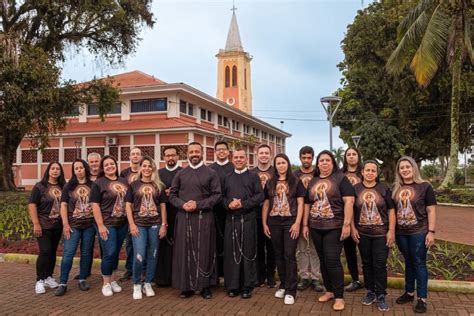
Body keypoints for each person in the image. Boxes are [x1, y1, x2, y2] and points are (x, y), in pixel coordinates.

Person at [303, 150, 354, 311]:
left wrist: (346, 224)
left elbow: (349, 201)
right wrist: (305, 224)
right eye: (321, 160)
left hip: (335, 226)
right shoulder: (313, 181)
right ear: (317, 164)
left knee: (332, 259)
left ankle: (339, 296)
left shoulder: (341, 179)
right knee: (323, 259)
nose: (324, 163)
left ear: (333, 163)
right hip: (316, 227)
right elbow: (307, 204)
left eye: (328, 160)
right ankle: (330, 290)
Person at [169, 142, 221, 299]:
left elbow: (217, 195)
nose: (194, 154)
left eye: (197, 151)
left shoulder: (211, 173)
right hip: (184, 217)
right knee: (185, 251)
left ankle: (205, 286)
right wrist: (183, 205)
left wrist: (198, 205)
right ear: (187, 154)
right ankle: (187, 287)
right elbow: (172, 195)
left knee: (205, 250)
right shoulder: (180, 173)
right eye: (191, 152)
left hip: (204, 218)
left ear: (202, 153)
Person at [392, 156, 436, 314]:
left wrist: (431, 232)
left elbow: (431, 210)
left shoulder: (424, 186)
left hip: (419, 232)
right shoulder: (396, 189)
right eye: (401, 167)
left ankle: (422, 298)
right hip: (401, 233)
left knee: (419, 263)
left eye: (407, 167)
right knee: (409, 262)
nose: (405, 170)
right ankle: (409, 292)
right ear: (399, 171)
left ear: (413, 168)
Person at [351, 160, 395, 311]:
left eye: (373, 171)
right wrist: (352, 228)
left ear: (377, 173)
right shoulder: (355, 189)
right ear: (362, 172)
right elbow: (350, 210)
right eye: (367, 170)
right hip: (362, 233)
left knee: (380, 264)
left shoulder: (384, 189)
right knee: (366, 263)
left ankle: (381, 294)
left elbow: (391, 211)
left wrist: (391, 231)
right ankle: (370, 291)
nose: (370, 173)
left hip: (381, 234)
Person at [262, 154, 305, 305]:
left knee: (289, 255)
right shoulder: (270, 182)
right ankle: (283, 284)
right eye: (278, 163)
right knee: (278, 254)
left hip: (290, 222)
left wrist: (297, 223)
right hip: (274, 222)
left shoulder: (296, 182)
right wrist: (264, 223)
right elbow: (266, 204)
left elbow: (300, 203)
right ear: (275, 165)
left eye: (283, 162)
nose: (281, 165)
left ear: (287, 164)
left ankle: (291, 290)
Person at [221, 148, 263, 299]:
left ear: (246, 159)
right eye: (236, 157)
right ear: (233, 159)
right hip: (231, 220)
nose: (238, 160)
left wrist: (243, 204)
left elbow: (260, 196)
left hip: (248, 219)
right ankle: (233, 286)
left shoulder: (253, 176)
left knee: (247, 253)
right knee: (232, 253)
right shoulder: (227, 177)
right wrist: (229, 204)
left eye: (241, 157)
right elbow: (222, 197)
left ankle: (247, 286)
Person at [125, 156, 168, 299]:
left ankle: (147, 282)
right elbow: (128, 206)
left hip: (155, 224)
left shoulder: (159, 186)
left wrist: (163, 225)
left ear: (153, 168)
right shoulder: (133, 185)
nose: (147, 168)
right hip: (139, 224)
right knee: (140, 255)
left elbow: (162, 207)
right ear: (140, 168)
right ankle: (137, 284)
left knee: (153, 254)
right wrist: (131, 224)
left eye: (150, 166)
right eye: (144, 166)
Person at [55, 159, 96, 296]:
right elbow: (63, 206)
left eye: (81, 167)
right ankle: (63, 282)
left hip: (89, 225)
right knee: (68, 253)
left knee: (86, 253)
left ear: (85, 169)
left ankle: (83, 278)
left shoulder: (93, 185)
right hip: (73, 226)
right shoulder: (68, 186)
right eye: (76, 168)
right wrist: (65, 224)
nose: (79, 170)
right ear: (74, 171)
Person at [90, 155, 129, 296]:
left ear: (116, 165)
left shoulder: (124, 181)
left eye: (112, 164)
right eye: (106, 165)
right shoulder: (98, 183)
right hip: (107, 224)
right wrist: (100, 225)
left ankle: (113, 280)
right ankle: (105, 283)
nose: (109, 166)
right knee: (109, 252)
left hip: (122, 223)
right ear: (103, 168)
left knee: (116, 252)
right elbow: (95, 205)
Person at [29, 161, 65, 294]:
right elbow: (32, 205)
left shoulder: (63, 187)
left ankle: (49, 276)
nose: (55, 171)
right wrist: (36, 223)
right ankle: (39, 280)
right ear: (48, 170)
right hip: (43, 225)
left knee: (53, 252)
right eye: (53, 168)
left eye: (58, 169)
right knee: (45, 251)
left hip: (57, 225)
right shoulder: (40, 186)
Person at [293, 146, 323, 292]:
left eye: (309, 157)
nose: (306, 160)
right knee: (302, 249)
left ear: (312, 158)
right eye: (303, 157)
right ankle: (304, 276)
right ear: (300, 158)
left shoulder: (318, 174)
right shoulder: (294, 175)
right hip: (299, 215)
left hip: (317, 217)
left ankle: (316, 278)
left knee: (315, 249)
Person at [155, 146, 182, 287]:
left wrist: (174, 193)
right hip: (163, 215)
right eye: (167, 155)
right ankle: (162, 278)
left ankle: (178, 277)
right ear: (163, 157)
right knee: (163, 246)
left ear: (178, 156)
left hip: (180, 214)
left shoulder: (184, 172)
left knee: (179, 246)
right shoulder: (158, 174)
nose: (170, 158)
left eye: (173, 155)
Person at [251, 144, 276, 288]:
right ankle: (260, 275)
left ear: (270, 155)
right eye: (261, 153)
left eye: (267, 153)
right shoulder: (251, 173)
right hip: (255, 215)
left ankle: (271, 276)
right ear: (257, 154)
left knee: (272, 247)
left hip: (273, 215)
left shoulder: (275, 172)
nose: (264, 155)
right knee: (258, 247)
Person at [74, 152, 101, 281]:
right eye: (92, 162)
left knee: (104, 245)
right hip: (87, 219)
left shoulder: (103, 177)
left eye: (96, 161)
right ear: (88, 164)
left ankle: (105, 271)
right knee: (86, 247)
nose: (94, 164)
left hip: (102, 217)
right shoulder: (85, 179)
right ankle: (85, 271)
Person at [209, 141, 234, 280]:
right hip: (214, 211)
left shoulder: (233, 167)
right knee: (216, 243)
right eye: (218, 150)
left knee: (230, 243)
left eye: (224, 149)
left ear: (228, 152)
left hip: (231, 210)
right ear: (215, 152)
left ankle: (229, 274)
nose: (221, 152)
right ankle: (216, 274)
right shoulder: (210, 169)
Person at [341, 147, 363, 292]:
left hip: (363, 217)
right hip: (346, 217)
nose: (351, 157)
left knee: (366, 252)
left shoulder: (364, 172)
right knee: (349, 251)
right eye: (348, 154)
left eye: (354, 154)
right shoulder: (340, 174)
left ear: (358, 157)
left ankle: (371, 280)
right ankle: (355, 279)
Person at [120, 147, 143, 281]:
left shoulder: (145, 170)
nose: (135, 156)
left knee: (141, 243)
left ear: (141, 156)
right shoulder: (124, 173)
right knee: (129, 243)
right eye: (133, 154)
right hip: (127, 211)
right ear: (129, 157)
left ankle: (142, 269)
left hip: (142, 210)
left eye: (137, 154)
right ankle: (129, 269)